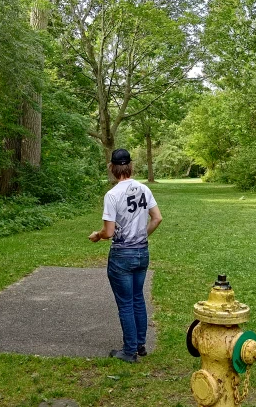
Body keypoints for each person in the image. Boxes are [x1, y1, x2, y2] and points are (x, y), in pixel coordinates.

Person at [88, 149, 162, 363]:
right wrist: (141, 235)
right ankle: (140, 344)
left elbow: (109, 232)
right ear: (131, 166)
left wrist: (97, 235)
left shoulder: (112, 195)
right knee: (138, 298)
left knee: (126, 303)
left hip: (122, 255)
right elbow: (157, 218)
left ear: (112, 168)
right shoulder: (144, 189)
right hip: (142, 252)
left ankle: (129, 351)